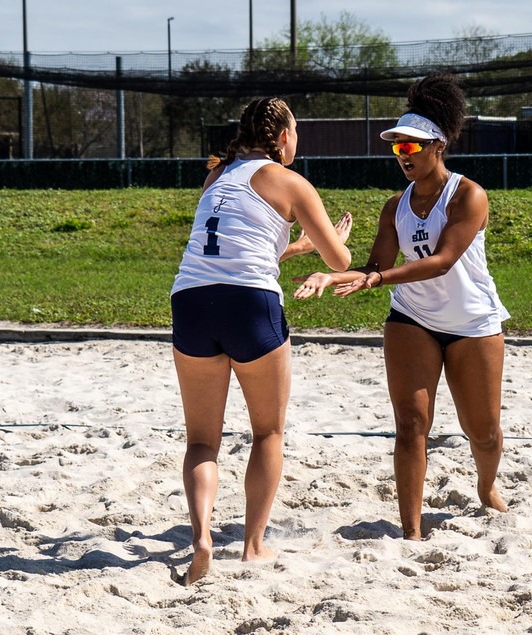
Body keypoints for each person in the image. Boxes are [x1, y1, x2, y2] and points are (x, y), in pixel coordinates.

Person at [293, 72, 510, 541]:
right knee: (411, 425)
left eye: (410, 147)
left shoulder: (468, 195)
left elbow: (442, 261)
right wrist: (331, 274)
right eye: (396, 148)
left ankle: (487, 486)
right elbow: (375, 265)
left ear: (437, 145)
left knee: (484, 431)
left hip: (473, 321)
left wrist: (377, 277)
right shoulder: (396, 205)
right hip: (412, 318)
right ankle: (411, 530)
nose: (402, 156)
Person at [170, 96, 352, 585]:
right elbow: (339, 262)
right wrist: (328, 243)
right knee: (267, 432)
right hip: (249, 305)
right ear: (285, 136)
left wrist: (294, 247)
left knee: (202, 441)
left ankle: (202, 537)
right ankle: (253, 546)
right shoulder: (290, 182)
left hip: (190, 300)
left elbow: (238, 250)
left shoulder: (216, 176)